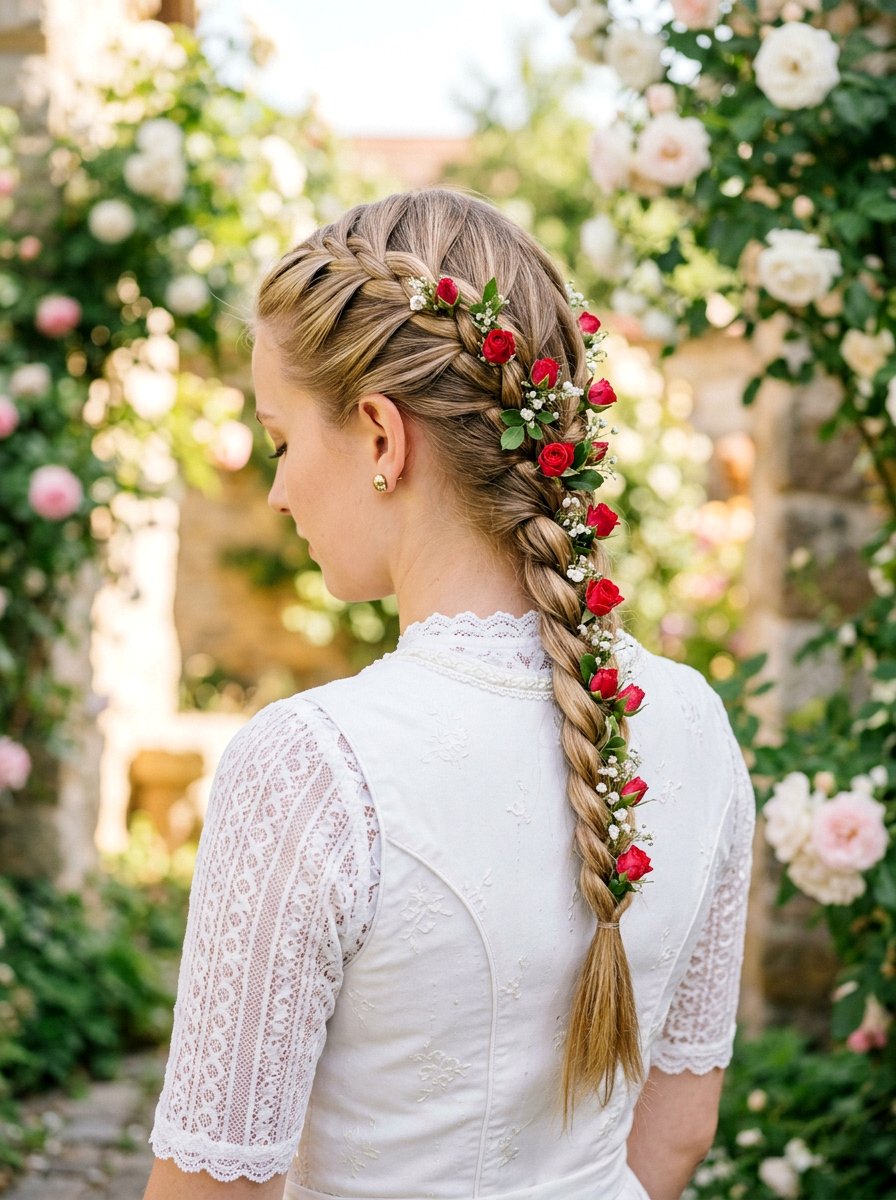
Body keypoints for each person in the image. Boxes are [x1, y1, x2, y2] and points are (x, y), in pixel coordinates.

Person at [144, 188, 755, 1200]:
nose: (277, 491)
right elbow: (678, 1134)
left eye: (282, 440)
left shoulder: (313, 767)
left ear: (381, 438)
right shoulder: (693, 722)